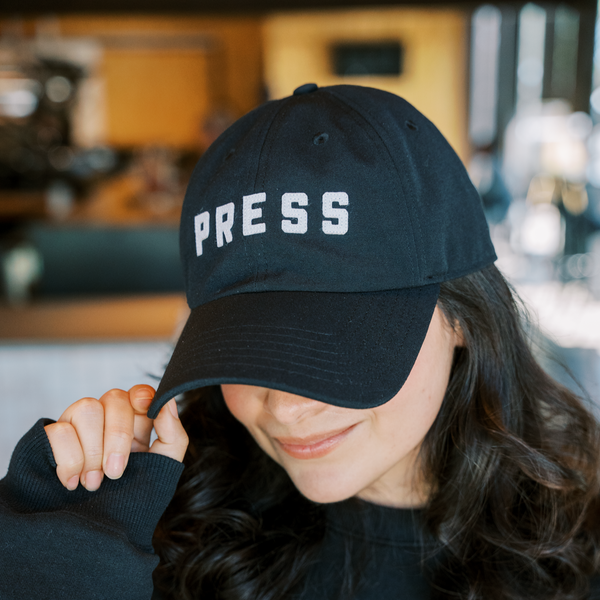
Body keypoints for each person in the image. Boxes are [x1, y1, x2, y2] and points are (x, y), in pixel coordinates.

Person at [2, 83, 600, 600]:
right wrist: (58, 561)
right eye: (245, 352)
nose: (286, 408)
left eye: (340, 348)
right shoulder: (166, 529)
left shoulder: (582, 552)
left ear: (464, 316)